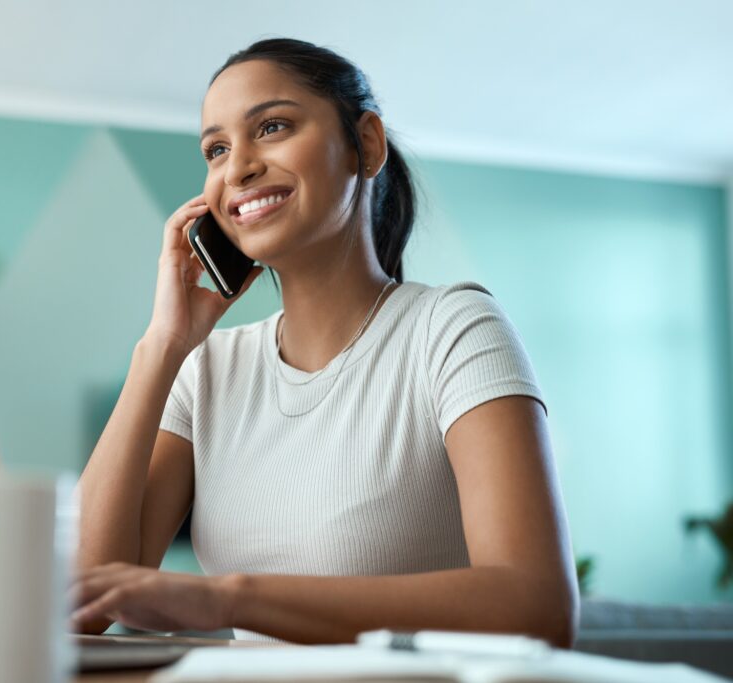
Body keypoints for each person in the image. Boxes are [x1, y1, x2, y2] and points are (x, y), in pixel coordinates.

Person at [69, 37, 578, 647]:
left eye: (273, 126)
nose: (238, 169)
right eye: (217, 149)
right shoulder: (204, 370)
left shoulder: (454, 330)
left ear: (366, 144)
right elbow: (84, 600)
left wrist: (228, 598)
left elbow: (537, 605)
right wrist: (161, 347)